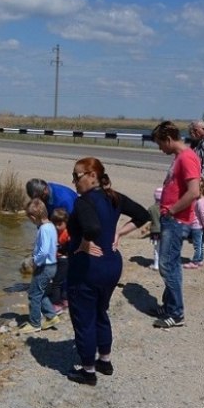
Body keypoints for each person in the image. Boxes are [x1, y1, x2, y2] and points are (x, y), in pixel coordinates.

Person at [65, 157, 149, 386]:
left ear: (92, 176)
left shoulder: (84, 202)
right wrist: (119, 233)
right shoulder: (114, 197)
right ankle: (105, 360)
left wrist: (83, 242)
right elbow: (144, 215)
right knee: (101, 311)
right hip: (112, 266)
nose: (74, 182)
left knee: (84, 318)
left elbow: (92, 227)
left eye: (77, 176)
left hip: (89, 268)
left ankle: (88, 371)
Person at [150, 121, 200, 329]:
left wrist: (172, 209)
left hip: (176, 220)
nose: (160, 149)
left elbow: (194, 192)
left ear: (169, 139)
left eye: (161, 144)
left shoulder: (187, 158)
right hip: (171, 218)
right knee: (172, 263)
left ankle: (176, 313)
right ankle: (169, 305)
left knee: (167, 265)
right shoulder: (179, 157)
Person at [18, 198, 61, 334]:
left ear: (33, 217)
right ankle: (51, 316)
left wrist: (35, 262)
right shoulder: (51, 226)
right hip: (52, 265)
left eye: (30, 219)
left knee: (33, 294)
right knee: (40, 293)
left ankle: (35, 322)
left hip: (44, 267)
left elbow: (43, 251)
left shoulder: (43, 229)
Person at [184, 178, 204, 269]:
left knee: (197, 245)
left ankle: (195, 262)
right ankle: (200, 260)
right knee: (200, 244)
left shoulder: (200, 202)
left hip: (197, 226)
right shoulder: (200, 200)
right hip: (197, 226)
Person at [49, 208, 70, 314]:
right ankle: (65, 299)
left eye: (60, 224)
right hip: (58, 258)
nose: (57, 227)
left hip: (63, 260)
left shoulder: (67, 234)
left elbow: (69, 248)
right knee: (62, 280)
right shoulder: (55, 232)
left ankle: (56, 304)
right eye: (54, 224)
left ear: (66, 222)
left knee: (56, 283)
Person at [147, 187, 163, 271]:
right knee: (163, 248)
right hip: (164, 231)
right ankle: (162, 264)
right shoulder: (165, 208)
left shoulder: (151, 208)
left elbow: (148, 219)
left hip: (154, 231)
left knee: (156, 248)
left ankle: (156, 264)